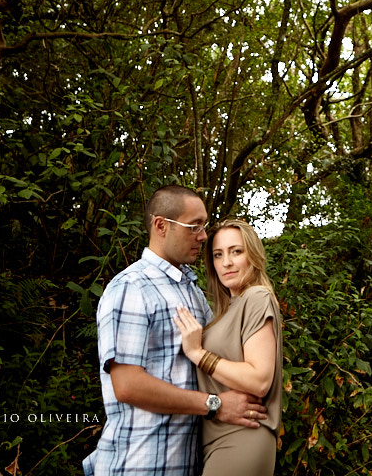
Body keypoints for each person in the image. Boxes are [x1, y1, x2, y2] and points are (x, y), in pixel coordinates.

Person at [83, 185, 267, 476]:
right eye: (194, 226)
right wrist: (215, 404)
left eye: (204, 226)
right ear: (161, 226)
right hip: (139, 465)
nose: (203, 236)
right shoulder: (132, 287)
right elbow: (128, 385)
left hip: (186, 465)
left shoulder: (191, 291)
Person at [173, 218, 283, 476]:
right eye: (218, 255)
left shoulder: (257, 297)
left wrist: (198, 353)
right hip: (217, 439)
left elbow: (259, 380)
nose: (227, 263)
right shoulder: (225, 310)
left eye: (236, 251)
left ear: (252, 255)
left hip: (243, 436)